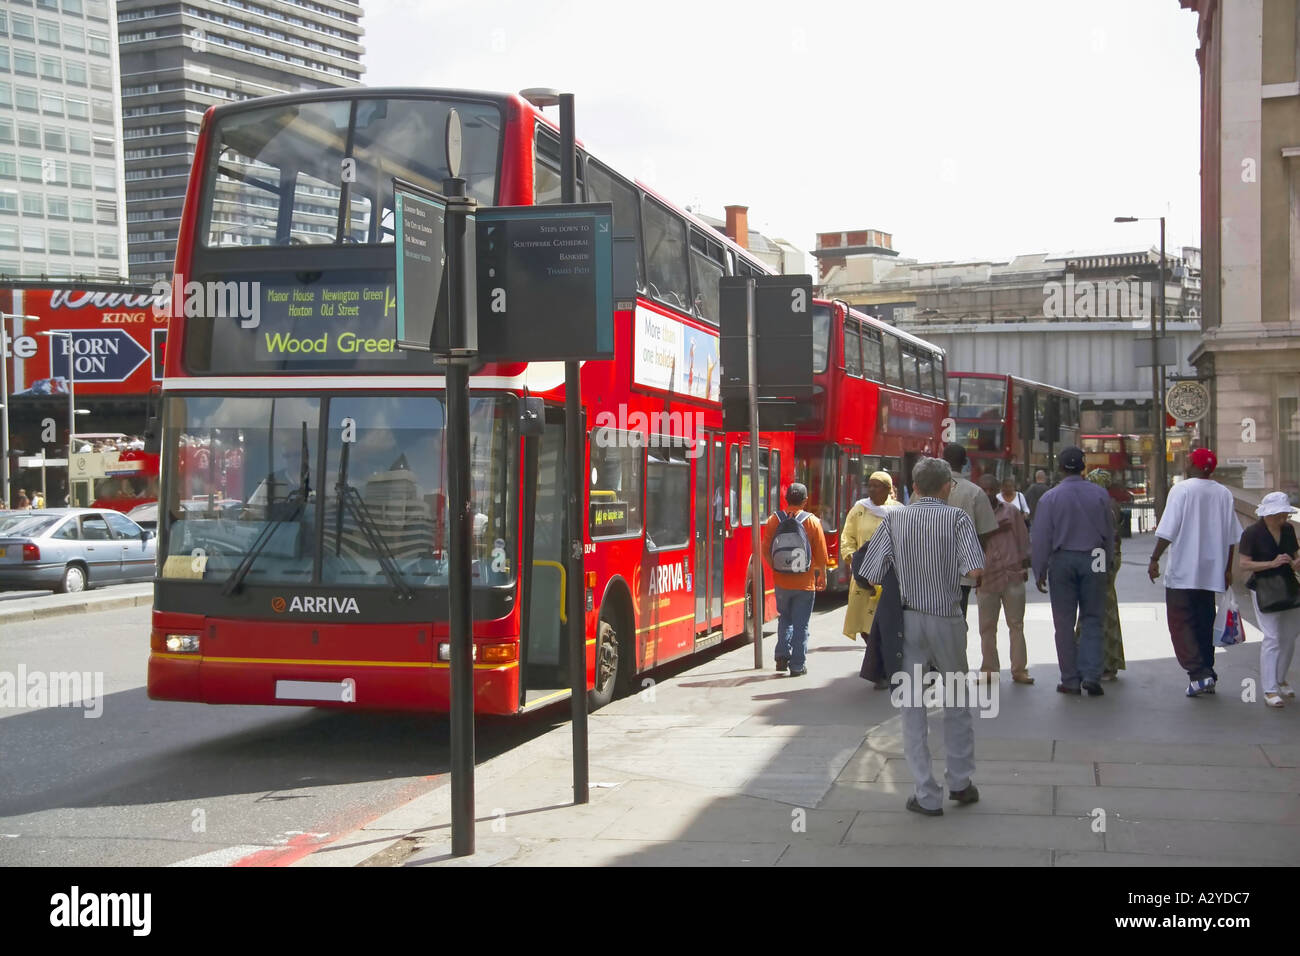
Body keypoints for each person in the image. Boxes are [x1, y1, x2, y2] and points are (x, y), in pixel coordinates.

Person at [859, 456, 985, 816]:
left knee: (912, 706)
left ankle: (926, 795)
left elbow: (871, 573)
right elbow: (974, 569)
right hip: (947, 618)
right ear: (948, 486)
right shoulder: (958, 517)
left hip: (909, 621)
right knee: (957, 698)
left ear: (913, 487)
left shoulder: (895, 519)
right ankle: (960, 781)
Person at [1148, 447, 1239, 698]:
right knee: (1203, 623)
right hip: (1211, 574)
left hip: (1183, 573)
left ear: (1196, 465)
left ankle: (1198, 674)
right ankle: (1207, 672)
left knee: (1180, 623)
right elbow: (1232, 537)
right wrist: (1227, 569)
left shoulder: (1182, 490)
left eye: (1189, 459)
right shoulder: (1224, 493)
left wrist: (1154, 558)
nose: (1186, 461)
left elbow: (1168, 529)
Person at [1031, 446, 1114, 696]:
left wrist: (1040, 569)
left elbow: (1041, 537)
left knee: (1064, 622)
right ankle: (1092, 674)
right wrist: (1107, 563)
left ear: (1059, 468)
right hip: (1095, 557)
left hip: (1062, 559)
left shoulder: (1050, 498)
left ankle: (1070, 679)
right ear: (1083, 466)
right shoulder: (1100, 495)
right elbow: (1109, 533)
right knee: (1093, 618)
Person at [1236, 491, 1300, 708]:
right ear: (1268, 514)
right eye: (1279, 515)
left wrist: (1295, 561)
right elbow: (1244, 564)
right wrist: (1271, 563)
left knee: (1290, 636)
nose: (1283, 519)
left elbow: (1294, 555)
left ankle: (1281, 679)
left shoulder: (1288, 529)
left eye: (1285, 515)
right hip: (1264, 587)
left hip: (1288, 585)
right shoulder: (1252, 533)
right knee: (1272, 636)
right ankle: (1270, 689)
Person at [841, 471, 904, 688]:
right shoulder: (859, 509)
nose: (872, 490)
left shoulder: (899, 511)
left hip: (888, 579)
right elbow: (847, 536)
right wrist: (851, 557)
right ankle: (879, 666)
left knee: (884, 624)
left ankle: (882, 670)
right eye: (870, 485)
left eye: (878, 486)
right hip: (862, 578)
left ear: (888, 489)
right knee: (865, 627)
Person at [761, 483, 828, 677]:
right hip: (805, 583)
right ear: (805, 501)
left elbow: (766, 549)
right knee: (802, 625)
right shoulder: (812, 522)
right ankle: (798, 665)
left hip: (781, 582)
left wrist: (776, 567)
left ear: (786, 499)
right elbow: (821, 553)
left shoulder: (775, 520)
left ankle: (781, 656)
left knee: (785, 619)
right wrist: (821, 574)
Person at [977, 474, 1033, 685]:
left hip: (1011, 575)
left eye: (992, 490)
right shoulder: (974, 514)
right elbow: (972, 542)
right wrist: (995, 529)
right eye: (984, 490)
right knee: (987, 628)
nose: (988, 494)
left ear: (997, 490)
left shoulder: (1012, 511)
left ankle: (1020, 670)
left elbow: (1023, 540)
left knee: (1016, 624)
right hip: (986, 577)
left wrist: (1023, 566)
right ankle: (989, 670)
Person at [1076, 469, 1126, 680]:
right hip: (1109, 559)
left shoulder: (1101, 503)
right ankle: (1107, 662)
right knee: (1106, 611)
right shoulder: (1111, 502)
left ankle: (1095, 662)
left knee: (1094, 611)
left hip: (1099, 559)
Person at [942, 444, 997, 617]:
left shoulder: (923, 489)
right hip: (962, 571)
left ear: (943, 461)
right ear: (965, 462)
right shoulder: (975, 492)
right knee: (958, 619)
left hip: (928, 570)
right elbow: (984, 534)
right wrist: (979, 567)